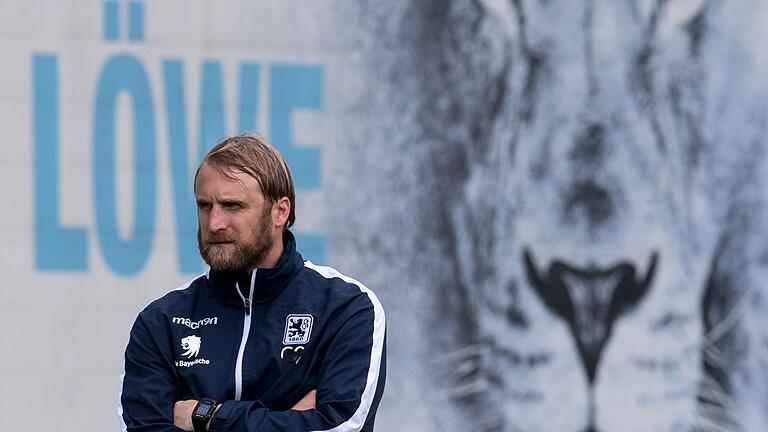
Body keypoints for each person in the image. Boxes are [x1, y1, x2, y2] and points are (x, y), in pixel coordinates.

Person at [118, 134, 386, 432]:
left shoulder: (345, 308)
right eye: (205, 206)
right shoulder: (161, 322)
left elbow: (339, 426)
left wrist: (206, 417)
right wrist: (287, 417)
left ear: (280, 211)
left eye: (232, 206)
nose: (214, 223)